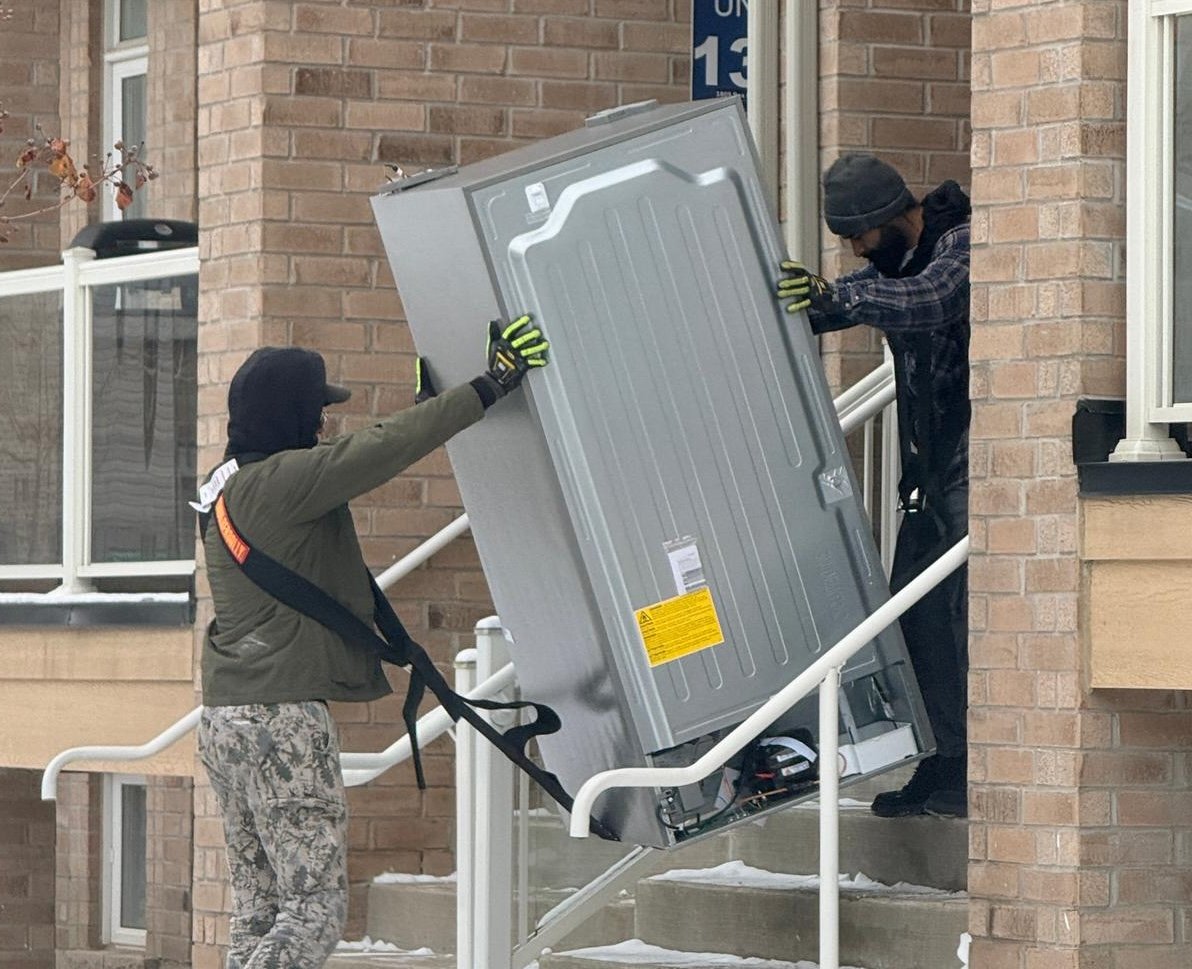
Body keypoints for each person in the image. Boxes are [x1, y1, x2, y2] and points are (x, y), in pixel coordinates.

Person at [195, 315, 549, 969]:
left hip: (224, 719)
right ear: (288, 414)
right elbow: (378, 450)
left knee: (260, 911)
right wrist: (489, 386)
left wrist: (431, 411)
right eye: (316, 411)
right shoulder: (280, 482)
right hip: (280, 722)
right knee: (312, 912)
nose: (323, 423)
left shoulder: (228, 489)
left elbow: (369, 452)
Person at [776, 153, 971, 819]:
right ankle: (942, 760)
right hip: (931, 466)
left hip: (979, 457)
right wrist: (797, 303)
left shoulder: (962, 243)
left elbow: (933, 299)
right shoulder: (894, 265)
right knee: (914, 617)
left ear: (893, 213)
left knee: (962, 616)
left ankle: (973, 763)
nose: (857, 248)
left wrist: (840, 298)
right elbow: (846, 299)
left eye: (860, 233)